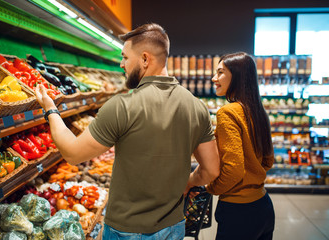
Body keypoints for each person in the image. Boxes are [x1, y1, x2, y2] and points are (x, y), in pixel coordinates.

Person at [35, 23, 220, 239]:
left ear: (144, 59)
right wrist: (188, 182)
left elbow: (72, 153)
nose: (122, 64)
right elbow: (211, 171)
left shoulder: (122, 105)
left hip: (127, 231)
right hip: (173, 228)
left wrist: (51, 110)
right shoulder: (196, 106)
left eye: (125, 57)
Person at [206, 52, 275, 240]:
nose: (214, 78)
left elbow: (234, 170)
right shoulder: (258, 111)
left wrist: (211, 187)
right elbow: (268, 160)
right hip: (264, 206)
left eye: (220, 73)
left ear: (236, 76)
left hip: (238, 211)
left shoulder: (228, 113)